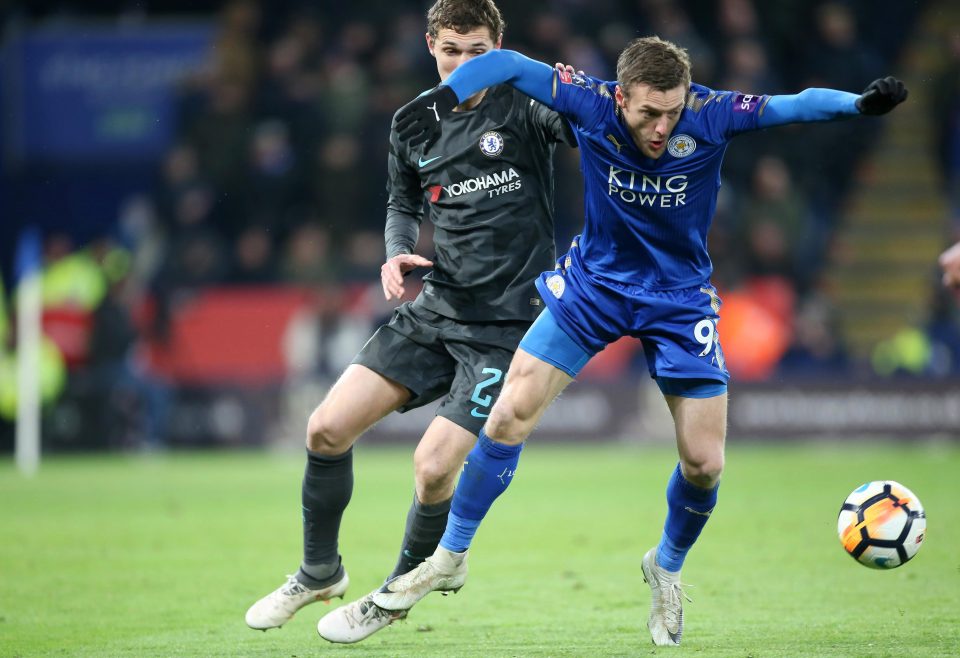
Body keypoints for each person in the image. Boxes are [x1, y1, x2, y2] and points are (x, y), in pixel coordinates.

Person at [371, 37, 907, 646]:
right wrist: (446, 97)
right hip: (595, 285)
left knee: (704, 463)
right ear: (620, 96)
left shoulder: (711, 113)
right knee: (510, 410)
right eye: (649, 112)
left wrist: (858, 105)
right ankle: (450, 557)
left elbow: (796, 105)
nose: (661, 127)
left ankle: (667, 566)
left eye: (672, 112)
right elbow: (508, 65)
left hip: (678, 300)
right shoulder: (590, 103)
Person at [244, 0, 575, 644]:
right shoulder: (412, 122)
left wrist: (569, 89)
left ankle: (394, 593)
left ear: (499, 50)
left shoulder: (530, 109)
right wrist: (396, 249)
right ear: (431, 47)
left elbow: (591, 126)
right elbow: (400, 202)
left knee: (431, 469)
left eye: (479, 52)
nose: (463, 64)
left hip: (505, 330)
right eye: (452, 50)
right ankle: (319, 571)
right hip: (435, 310)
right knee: (325, 428)